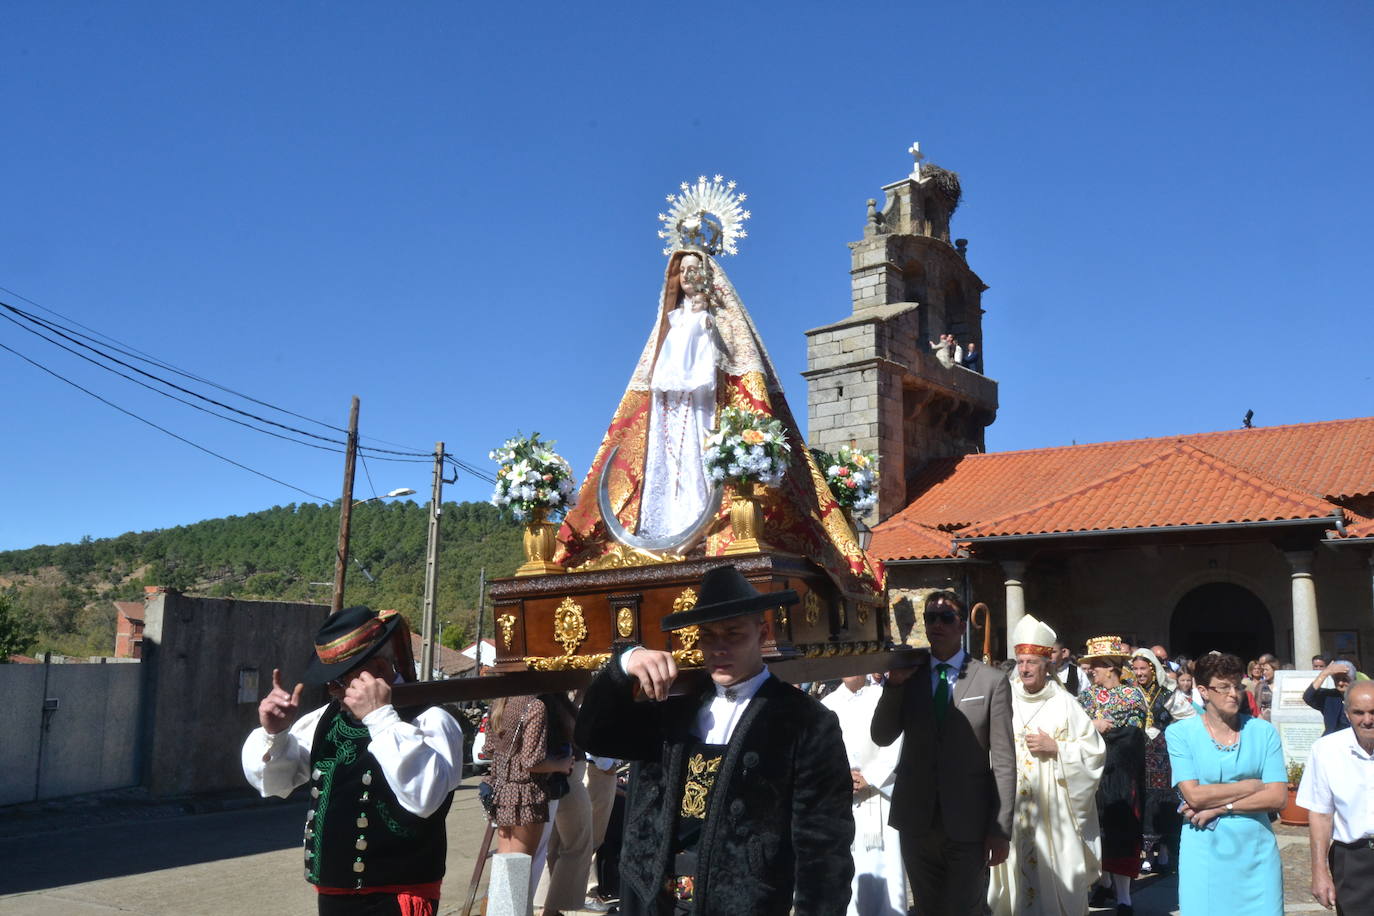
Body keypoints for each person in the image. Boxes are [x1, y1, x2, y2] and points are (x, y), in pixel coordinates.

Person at [574, 564, 855, 915]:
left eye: (733, 633)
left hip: (743, 903)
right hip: (654, 899)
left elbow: (824, 846)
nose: (719, 647)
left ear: (762, 633)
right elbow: (594, 737)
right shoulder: (673, 709)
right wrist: (625, 663)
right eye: (708, 635)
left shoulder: (805, 721)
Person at [242, 606, 465, 916]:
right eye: (330, 684)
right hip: (334, 896)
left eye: (339, 682)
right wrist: (275, 734)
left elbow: (425, 798)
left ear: (378, 669)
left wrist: (381, 718)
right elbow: (275, 783)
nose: (334, 692)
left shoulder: (430, 721)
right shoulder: (324, 719)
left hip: (397, 896)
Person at [871, 590, 1015, 916]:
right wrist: (894, 686)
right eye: (930, 617)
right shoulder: (909, 675)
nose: (937, 624)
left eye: (946, 617)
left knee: (965, 908)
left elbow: (1004, 762)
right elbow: (881, 736)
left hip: (969, 823)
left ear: (962, 625)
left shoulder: (991, 682)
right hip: (917, 820)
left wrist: (1000, 829)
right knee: (926, 908)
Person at [988, 614, 1104, 916]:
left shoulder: (1065, 703)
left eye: (1032, 662)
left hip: (1054, 814)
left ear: (1046, 665)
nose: (1025, 668)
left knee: (1057, 879)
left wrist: (1058, 748)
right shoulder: (1003, 699)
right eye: (1021, 661)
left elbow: (1094, 753)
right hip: (1013, 810)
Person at [1167, 652, 1287, 915]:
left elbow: (1278, 798)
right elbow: (1194, 796)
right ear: (1204, 691)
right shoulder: (1179, 733)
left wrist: (1223, 807)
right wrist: (1253, 785)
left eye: (1238, 686)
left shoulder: (1263, 731)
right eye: (1224, 687)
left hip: (1256, 850)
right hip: (1204, 848)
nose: (1234, 693)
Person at [822, 674, 906, 916]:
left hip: (880, 797)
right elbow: (821, 751)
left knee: (886, 867)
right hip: (844, 801)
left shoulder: (881, 698)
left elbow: (896, 739)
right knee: (852, 868)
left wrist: (871, 776)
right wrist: (840, 777)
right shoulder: (828, 704)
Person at [1077, 636, 1148, 915]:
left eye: (1096, 665)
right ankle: (1103, 882)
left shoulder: (1131, 696)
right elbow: (1073, 729)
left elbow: (1132, 739)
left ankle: (1123, 897)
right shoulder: (1086, 697)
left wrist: (1100, 734)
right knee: (1096, 832)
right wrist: (1093, 727)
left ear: (1110, 667)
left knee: (1121, 832)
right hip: (1090, 776)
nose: (1091, 670)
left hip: (1120, 777)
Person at [487, 693, 576, 901]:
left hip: (502, 792)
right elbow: (531, 761)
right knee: (518, 876)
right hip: (527, 794)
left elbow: (490, 750)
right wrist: (561, 765)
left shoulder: (500, 702)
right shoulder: (534, 706)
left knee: (504, 871)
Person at [1297, 680, 1374, 913]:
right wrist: (1319, 871)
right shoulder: (1326, 750)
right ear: (1346, 712)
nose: (1367, 720)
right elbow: (1321, 815)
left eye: (1373, 712)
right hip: (1352, 861)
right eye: (1359, 712)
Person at [1128, 648, 1195, 876]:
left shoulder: (1168, 692)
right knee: (1142, 799)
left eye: (1143, 668)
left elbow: (1189, 717)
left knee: (1162, 799)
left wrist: (1168, 730)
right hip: (1137, 753)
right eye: (1135, 668)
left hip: (1162, 755)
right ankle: (1145, 853)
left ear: (1152, 669)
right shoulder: (1130, 692)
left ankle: (1164, 850)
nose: (1139, 673)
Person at [1305, 660, 1356, 736]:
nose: (1340, 683)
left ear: (1353, 679)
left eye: (1345, 679)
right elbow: (1308, 696)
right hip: (1332, 741)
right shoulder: (1329, 697)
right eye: (1337, 679)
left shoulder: (1361, 697)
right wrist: (1325, 673)